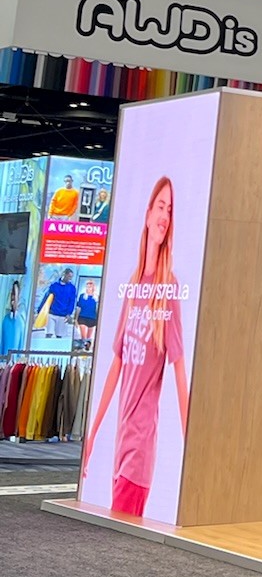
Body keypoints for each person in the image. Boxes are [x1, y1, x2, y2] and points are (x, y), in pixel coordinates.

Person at [80, 175, 189, 519]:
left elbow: (179, 371)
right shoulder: (134, 285)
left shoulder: (168, 289)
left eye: (170, 210)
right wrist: (92, 434)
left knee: (120, 540)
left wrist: (192, 446)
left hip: (140, 445)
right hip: (120, 437)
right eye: (160, 206)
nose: (164, 216)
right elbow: (116, 365)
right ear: (147, 212)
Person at [35, 267, 79, 339]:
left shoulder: (72, 288)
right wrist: (40, 309)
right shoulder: (54, 286)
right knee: (48, 334)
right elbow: (46, 298)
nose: (70, 278)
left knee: (59, 335)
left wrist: (69, 313)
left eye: (71, 277)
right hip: (52, 313)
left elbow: (72, 301)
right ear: (64, 274)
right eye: (69, 276)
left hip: (63, 315)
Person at [75, 278, 99, 350]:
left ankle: (87, 349)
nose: (89, 288)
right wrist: (76, 319)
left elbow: (97, 309)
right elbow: (78, 308)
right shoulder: (82, 296)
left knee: (89, 337)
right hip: (82, 317)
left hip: (92, 318)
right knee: (83, 335)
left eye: (90, 286)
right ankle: (82, 347)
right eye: (87, 286)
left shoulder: (96, 297)